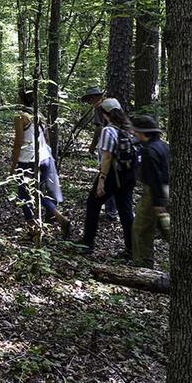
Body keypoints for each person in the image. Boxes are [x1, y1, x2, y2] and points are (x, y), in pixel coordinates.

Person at [78, 98, 137, 259]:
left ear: (105, 114)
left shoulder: (108, 131)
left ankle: (88, 243)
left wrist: (102, 180)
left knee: (93, 204)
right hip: (128, 175)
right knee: (125, 211)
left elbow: (107, 157)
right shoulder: (129, 129)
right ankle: (131, 249)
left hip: (112, 174)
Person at [10, 89, 70, 238]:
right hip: (45, 158)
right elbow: (47, 139)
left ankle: (34, 228)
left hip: (28, 160)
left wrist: (13, 166)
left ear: (21, 99)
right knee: (37, 192)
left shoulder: (20, 116)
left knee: (24, 195)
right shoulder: (40, 115)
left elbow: (18, 142)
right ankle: (59, 218)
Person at [131, 115, 170, 269]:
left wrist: (158, 201)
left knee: (141, 229)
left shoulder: (149, 151)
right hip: (168, 190)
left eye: (136, 131)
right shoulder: (164, 146)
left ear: (142, 132)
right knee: (166, 228)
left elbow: (155, 176)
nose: (134, 133)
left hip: (155, 192)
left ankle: (143, 265)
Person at [82, 86, 118, 222]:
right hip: (116, 145)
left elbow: (99, 128)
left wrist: (92, 146)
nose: (91, 101)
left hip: (106, 145)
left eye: (91, 98)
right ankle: (115, 210)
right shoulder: (112, 104)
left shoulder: (100, 107)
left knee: (106, 175)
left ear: (96, 96)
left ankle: (111, 211)